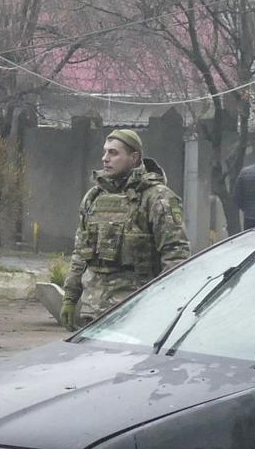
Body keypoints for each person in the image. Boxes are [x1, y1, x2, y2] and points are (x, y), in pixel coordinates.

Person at [62, 129, 191, 329]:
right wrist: (70, 297)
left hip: (136, 312)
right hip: (93, 311)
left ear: (134, 157)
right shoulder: (94, 197)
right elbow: (80, 252)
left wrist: (167, 304)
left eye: (114, 153)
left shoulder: (157, 197)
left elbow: (175, 254)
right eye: (105, 152)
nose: (105, 159)